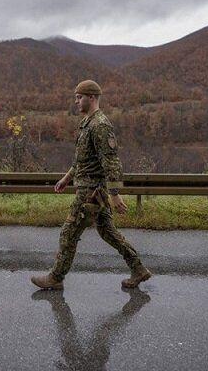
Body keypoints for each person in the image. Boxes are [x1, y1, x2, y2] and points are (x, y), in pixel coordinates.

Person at [31, 80, 151, 290]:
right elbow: (83, 161)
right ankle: (138, 269)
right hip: (91, 188)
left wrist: (114, 194)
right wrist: (66, 179)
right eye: (76, 97)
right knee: (107, 231)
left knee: (69, 233)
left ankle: (56, 278)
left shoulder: (100, 125)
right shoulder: (88, 123)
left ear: (92, 97)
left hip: (91, 192)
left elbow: (111, 162)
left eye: (79, 97)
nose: (76, 101)